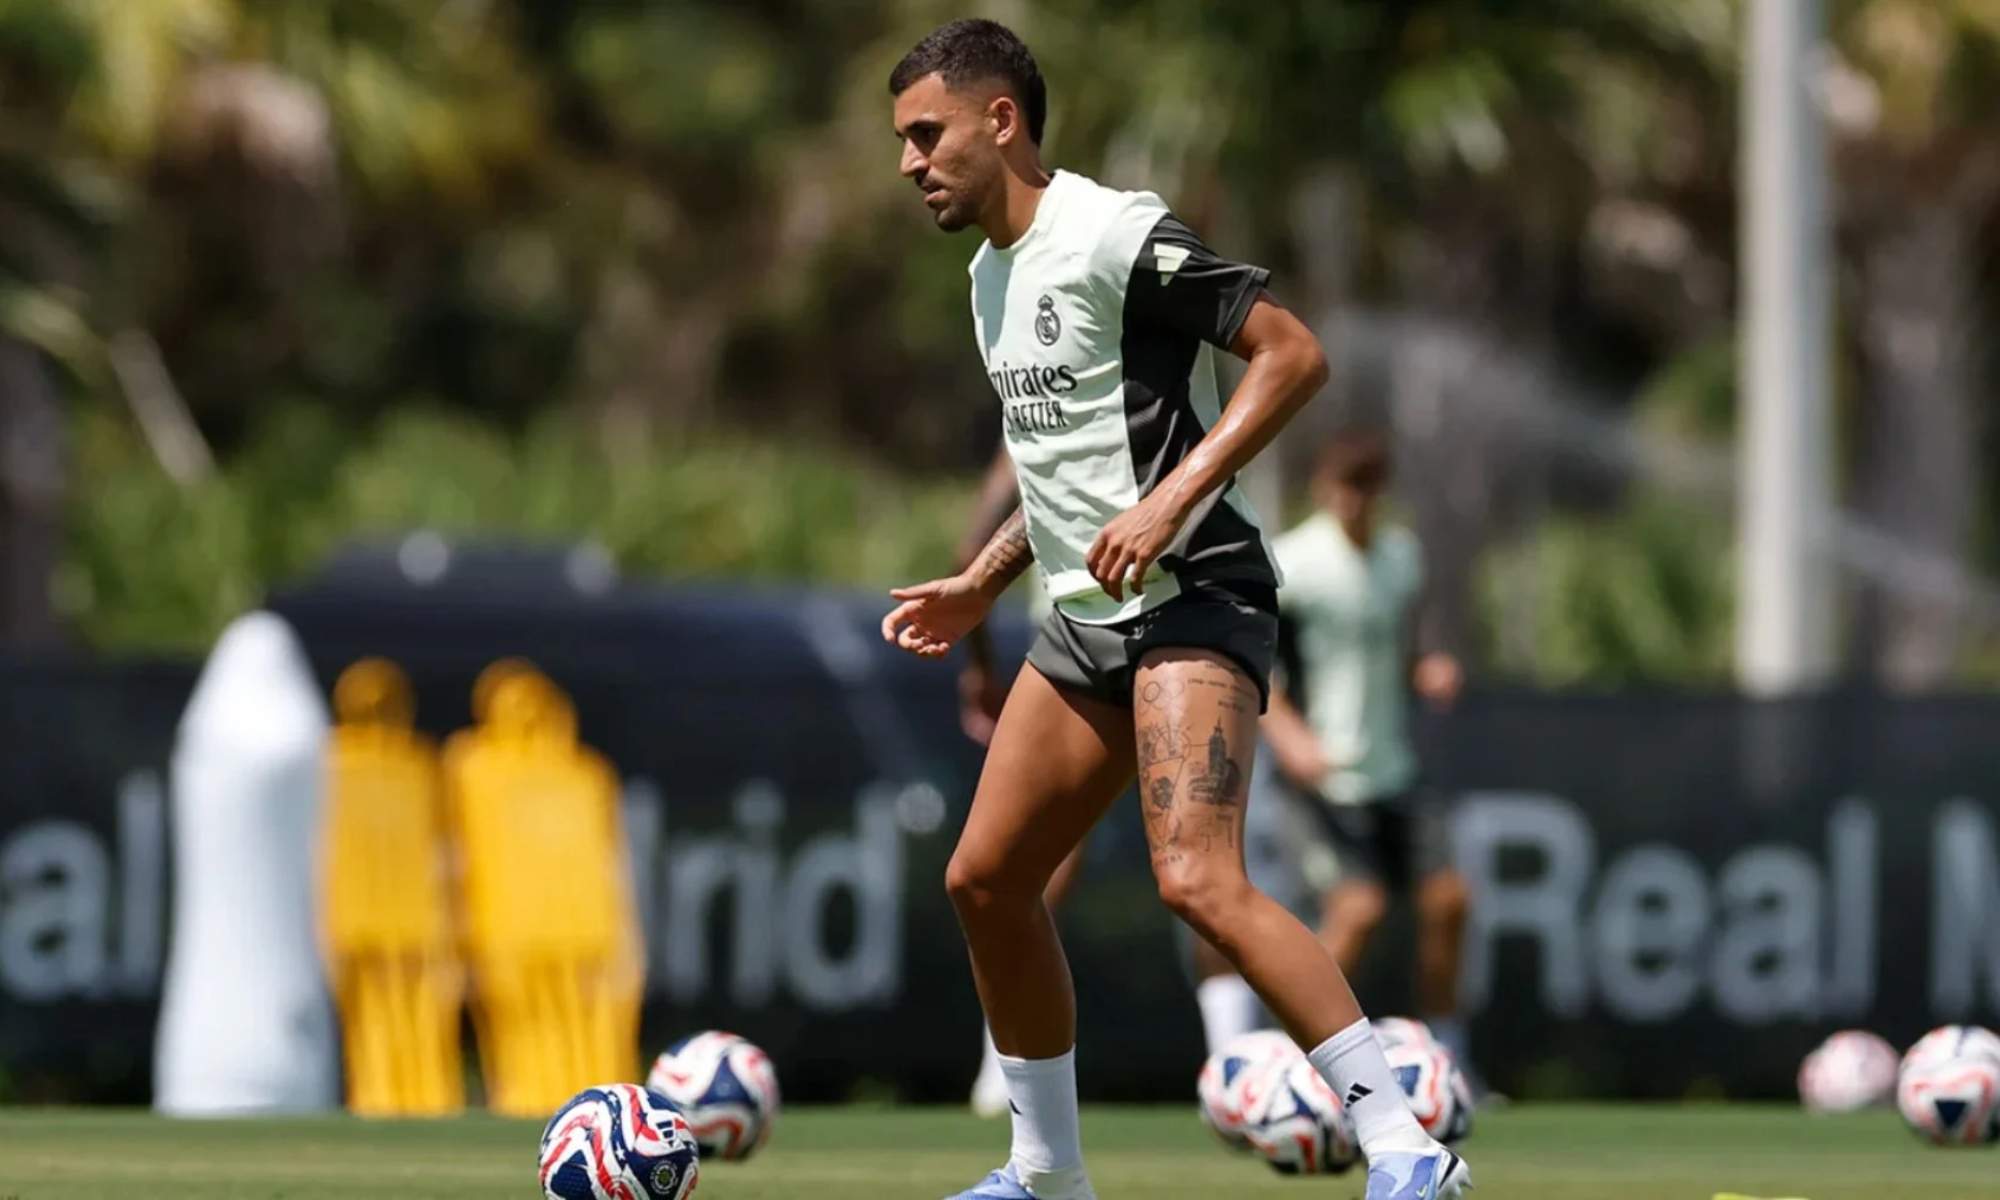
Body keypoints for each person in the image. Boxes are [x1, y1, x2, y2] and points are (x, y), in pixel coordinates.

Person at [880, 19, 1469, 1200]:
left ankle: (1407, 1150)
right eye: (900, 142)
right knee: (983, 882)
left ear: (1000, 120)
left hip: (1196, 598)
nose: (907, 163)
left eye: (924, 134)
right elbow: (1067, 477)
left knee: (1196, 879)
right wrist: (980, 583)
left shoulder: (1112, 231)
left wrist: (1172, 504)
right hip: (1087, 622)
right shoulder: (989, 278)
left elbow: (1290, 354)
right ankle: (1045, 1175)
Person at [1258, 428, 1477, 1073]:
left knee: (1450, 902)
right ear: (1323, 488)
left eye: (1366, 486)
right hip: (1322, 780)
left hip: (1392, 771)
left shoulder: (1399, 558)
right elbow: (1258, 664)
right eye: (1343, 485)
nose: (1354, 500)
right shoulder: (1294, 563)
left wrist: (1427, 669)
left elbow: (1402, 647)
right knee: (1358, 911)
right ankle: (1296, 1067)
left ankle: (1449, 1061)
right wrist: (1288, 733)